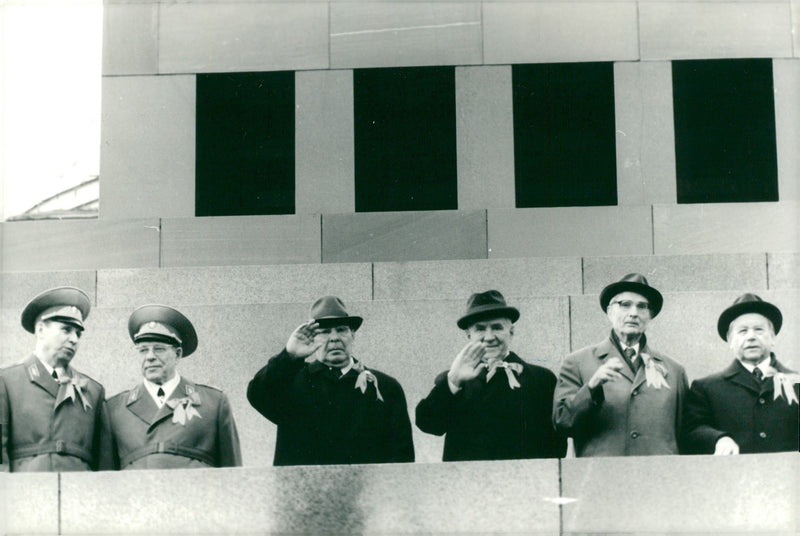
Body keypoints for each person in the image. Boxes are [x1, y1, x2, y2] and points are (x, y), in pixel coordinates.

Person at [247, 296, 414, 465]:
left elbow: (402, 456)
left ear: (352, 335)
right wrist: (289, 355)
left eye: (341, 330)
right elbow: (257, 395)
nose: (334, 338)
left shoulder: (385, 387)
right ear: (312, 338)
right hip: (305, 489)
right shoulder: (291, 381)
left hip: (368, 490)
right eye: (325, 332)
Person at [415, 290, 566, 461]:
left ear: (511, 331)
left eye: (496, 327)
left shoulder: (541, 379)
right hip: (467, 484)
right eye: (480, 329)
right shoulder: (452, 381)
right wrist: (453, 381)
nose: (489, 337)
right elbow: (428, 424)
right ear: (468, 335)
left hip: (524, 483)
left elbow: (556, 444)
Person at [553, 273, 688, 456]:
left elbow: (685, 433)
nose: (633, 313)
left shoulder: (674, 371)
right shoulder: (577, 362)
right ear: (610, 312)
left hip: (659, 477)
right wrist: (591, 388)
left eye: (642, 307)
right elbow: (562, 422)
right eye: (625, 304)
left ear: (650, 316)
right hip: (604, 477)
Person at [107, 304, 242, 469]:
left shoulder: (213, 403)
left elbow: (232, 471)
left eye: (159, 349)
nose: (150, 357)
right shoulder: (115, 409)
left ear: (177, 354)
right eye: (143, 350)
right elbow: (106, 478)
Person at [0, 287, 113, 472]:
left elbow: (105, 463)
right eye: (66, 330)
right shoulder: (7, 381)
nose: (74, 339)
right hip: (26, 491)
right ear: (40, 330)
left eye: (78, 333)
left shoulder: (93, 391)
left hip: (80, 493)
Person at [683, 294, 798, 454]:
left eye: (759, 330)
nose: (751, 337)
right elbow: (692, 430)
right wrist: (718, 439)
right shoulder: (706, 388)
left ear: (773, 337)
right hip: (732, 476)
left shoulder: (796, 383)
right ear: (730, 340)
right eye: (742, 331)